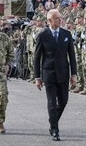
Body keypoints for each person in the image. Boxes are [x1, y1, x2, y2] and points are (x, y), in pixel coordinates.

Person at [34, 9, 77, 141]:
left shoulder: (66, 34)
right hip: (49, 73)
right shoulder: (42, 35)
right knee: (52, 103)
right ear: (49, 21)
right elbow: (37, 57)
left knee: (63, 101)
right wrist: (37, 77)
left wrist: (74, 74)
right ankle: (55, 130)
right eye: (56, 18)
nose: (59, 20)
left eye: (60, 18)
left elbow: (72, 55)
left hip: (63, 72)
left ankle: (53, 120)